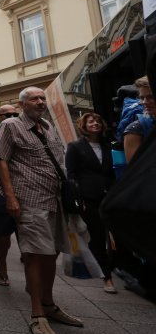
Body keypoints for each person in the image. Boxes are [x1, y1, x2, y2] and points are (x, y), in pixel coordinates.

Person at [0, 87, 83, 334]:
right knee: (35, 255)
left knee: (52, 252)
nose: (40, 102)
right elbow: (1, 160)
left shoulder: (48, 126)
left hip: (55, 201)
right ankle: (37, 314)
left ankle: (49, 304)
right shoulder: (11, 126)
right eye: (34, 99)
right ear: (22, 104)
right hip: (30, 201)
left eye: (42, 98)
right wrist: (10, 198)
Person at [65, 113, 116, 293]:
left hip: (110, 197)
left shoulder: (109, 146)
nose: (95, 123)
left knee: (116, 236)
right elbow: (71, 176)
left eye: (98, 120)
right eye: (90, 121)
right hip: (89, 198)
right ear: (83, 126)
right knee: (97, 236)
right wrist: (78, 201)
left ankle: (117, 268)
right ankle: (107, 276)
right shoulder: (75, 147)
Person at [0, 104, 21, 287]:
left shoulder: (26, 131)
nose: (12, 116)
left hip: (25, 188)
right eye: (7, 114)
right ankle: (2, 267)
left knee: (27, 233)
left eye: (15, 113)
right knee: (2, 233)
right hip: (0, 190)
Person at [123, 76, 154, 163]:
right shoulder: (135, 130)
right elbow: (137, 172)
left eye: (150, 97)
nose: (144, 102)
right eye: (142, 98)